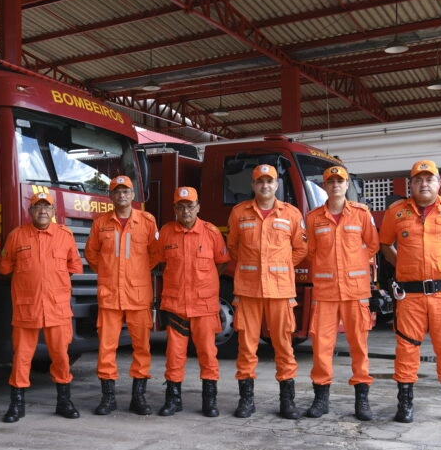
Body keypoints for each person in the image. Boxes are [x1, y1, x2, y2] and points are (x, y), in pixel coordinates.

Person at [379, 160, 441, 425]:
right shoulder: (396, 212)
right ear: (410, 184)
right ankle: (405, 404)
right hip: (409, 297)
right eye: (418, 179)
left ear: (438, 183)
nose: (424, 184)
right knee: (406, 349)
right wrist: (401, 264)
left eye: (429, 179)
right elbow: (385, 243)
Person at [226, 164, 307, 419]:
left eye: (269, 181)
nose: (265, 186)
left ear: (276, 184)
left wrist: (280, 268)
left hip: (280, 291)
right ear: (253, 185)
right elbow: (234, 248)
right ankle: (246, 400)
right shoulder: (239, 213)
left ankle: (287, 401)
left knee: (284, 345)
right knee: (246, 347)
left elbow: (300, 249)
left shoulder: (291, 214)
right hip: (248, 290)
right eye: (260, 181)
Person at [0, 192, 84, 422]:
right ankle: (17, 404)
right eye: (38, 207)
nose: (42, 211)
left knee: (61, 357)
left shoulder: (65, 236)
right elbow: (5, 267)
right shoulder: (17, 236)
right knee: (22, 357)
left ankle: (64, 401)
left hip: (57, 309)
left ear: (54, 212)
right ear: (30, 211)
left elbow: (74, 266)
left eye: (47, 207)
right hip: (27, 307)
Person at [304, 166, 379, 421]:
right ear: (324, 187)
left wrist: (352, 265)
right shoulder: (313, 218)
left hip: (355, 292)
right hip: (325, 293)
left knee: (359, 346)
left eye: (340, 181)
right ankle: (321, 399)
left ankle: (362, 401)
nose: (335, 185)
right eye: (330, 181)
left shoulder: (361, 214)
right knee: (321, 347)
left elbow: (372, 245)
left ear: (347, 185)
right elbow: (311, 251)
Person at [85, 175, 160, 415]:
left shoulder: (147, 221)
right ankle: (108, 398)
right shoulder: (101, 223)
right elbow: (91, 254)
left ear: (133, 195)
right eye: (117, 191)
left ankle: (138, 397)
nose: (121, 195)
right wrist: (108, 272)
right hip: (110, 295)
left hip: (138, 295)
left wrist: (136, 273)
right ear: (111, 196)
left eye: (126, 191)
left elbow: (156, 254)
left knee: (142, 348)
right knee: (106, 348)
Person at [156, 187, 230, 418]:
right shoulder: (166, 232)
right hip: (176, 305)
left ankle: (209, 400)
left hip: (204, 307)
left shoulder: (211, 233)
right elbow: (159, 263)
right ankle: (173, 399)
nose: (185, 210)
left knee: (208, 353)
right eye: (180, 206)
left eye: (190, 206)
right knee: (174, 355)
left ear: (198, 207)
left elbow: (221, 263)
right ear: (175, 209)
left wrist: (205, 284)